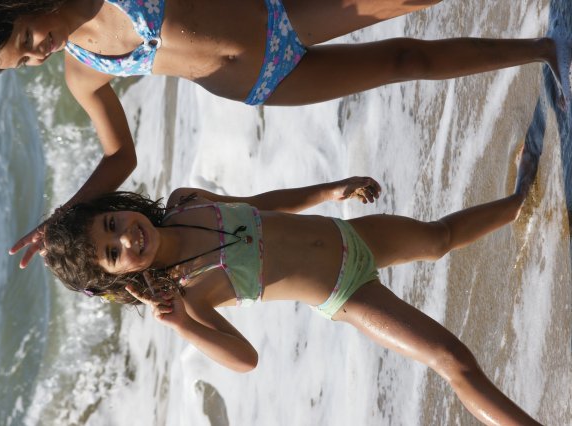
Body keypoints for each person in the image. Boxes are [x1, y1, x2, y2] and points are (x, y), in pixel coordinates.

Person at [0, 0, 565, 268]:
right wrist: (64, 215)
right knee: (406, 61)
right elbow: (120, 156)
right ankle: (549, 50)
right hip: (262, 81)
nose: (39, 53)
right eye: (24, 61)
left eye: (26, 39)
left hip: (277, 13)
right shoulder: (83, 70)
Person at [42, 146, 541, 425]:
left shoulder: (186, 201)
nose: (125, 238)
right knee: (452, 362)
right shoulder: (192, 292)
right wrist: (184, 327)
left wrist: (331, 189)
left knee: (439, 238)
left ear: (117, 206)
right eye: (113, 254)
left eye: (112, 224)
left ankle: (522, 198)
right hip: (348, 292)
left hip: (351, 235)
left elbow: (263, 203)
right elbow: (245, 359)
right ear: (118, 277)